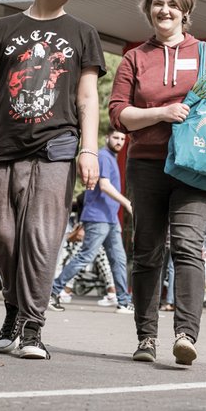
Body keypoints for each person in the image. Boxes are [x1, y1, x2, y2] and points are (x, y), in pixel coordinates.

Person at [0, 0, 105, 360]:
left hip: (57, 147)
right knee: (3, 236)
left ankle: (31, 327)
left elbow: (87, 97)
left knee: (41, 238)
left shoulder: (83, 33)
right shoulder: (3, 28)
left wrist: (90, 149)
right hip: (5, 147)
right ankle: (13, 305)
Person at [109, 0, 206, 366]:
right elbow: (119, 114)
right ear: (149, 10)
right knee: (147, 251)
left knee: (187, 246)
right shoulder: (135, 57)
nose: (164, 10)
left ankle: (185, 334)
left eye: (171, 4)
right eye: (157, 4)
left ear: (185, 10)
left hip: (196, 164)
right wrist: (161, 113)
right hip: (148, 164)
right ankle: (146, 337)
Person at [50, 126, 133, 313]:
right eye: (116, 138)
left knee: (118, 259)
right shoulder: (103, 156)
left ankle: (123, 301)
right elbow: (104, 185)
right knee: (85, 256)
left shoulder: (112, 158)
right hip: (98, 217)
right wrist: (127, 203)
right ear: (107, 138)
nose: (119, 142)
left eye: (122, 139)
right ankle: (52, 291)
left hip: (110, 218)